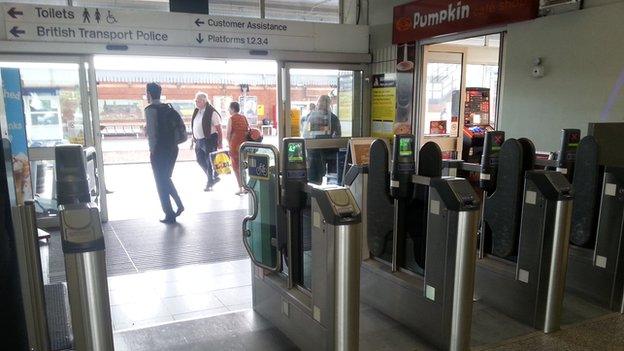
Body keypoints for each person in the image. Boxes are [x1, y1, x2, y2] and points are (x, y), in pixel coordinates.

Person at [145, 83, 184, 224]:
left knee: (161, 180)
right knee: (165, 178)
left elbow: (152, 134)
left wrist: (152, 151)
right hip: (173, 148)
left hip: (159, 150)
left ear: (149, 93)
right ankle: (174, 209)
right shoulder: (168, 108)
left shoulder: (150, 110)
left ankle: (172, 211)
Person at [302, 95, 342, 184]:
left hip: (315, 152)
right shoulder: (334, 118)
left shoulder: (310, 117)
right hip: (328, 152)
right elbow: (338, 135)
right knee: (331, 179)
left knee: (315, 180)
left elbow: (305, 134)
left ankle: (315, 194)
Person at [191, 92, 223, 191]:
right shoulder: (197, 111)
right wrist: (193, 139)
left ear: (204, 101)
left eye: (198, 101)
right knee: (200, 160)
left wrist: (220, 142)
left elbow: (219, 128)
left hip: (209, 139)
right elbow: (195, 125)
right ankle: (213, 177)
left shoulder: (212, 112)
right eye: (195, 101)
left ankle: (209, 183)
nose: (196, 103)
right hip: (199, 140)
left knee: (209, 162)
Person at [226, 101, 249, 195]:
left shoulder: (231, 118)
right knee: (243, 166)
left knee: (236, 167)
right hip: (244, 145)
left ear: (232, 109)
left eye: (229, 108)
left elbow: (228, 133)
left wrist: (228, 143)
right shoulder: (244, 118)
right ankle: (246, 187)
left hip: (234, 145)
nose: (228, 110)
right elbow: (247, 130)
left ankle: (240, 188)